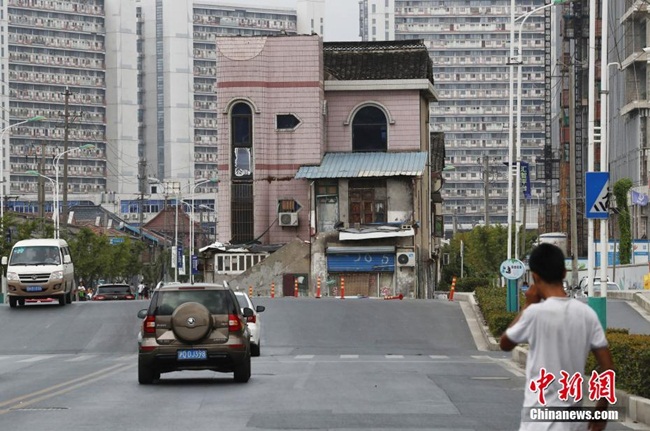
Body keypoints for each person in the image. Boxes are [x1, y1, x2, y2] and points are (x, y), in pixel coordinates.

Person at [500, 243, 615, 431]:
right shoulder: (587, 314)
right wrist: (601, 410)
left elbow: (505, 343)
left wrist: (528, 304)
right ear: (564, 273)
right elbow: (607, 366)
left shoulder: (534, 314)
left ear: (535, 276)